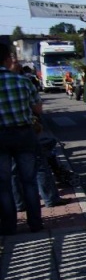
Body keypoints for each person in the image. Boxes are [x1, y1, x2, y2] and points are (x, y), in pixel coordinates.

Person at [0, 44, 44, 235]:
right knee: (29, 181)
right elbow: (38, 110)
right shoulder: (23, 81)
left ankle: (9, 227)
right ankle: (35, 224)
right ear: (7, 59)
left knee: (4, 184)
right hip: (24, 135)